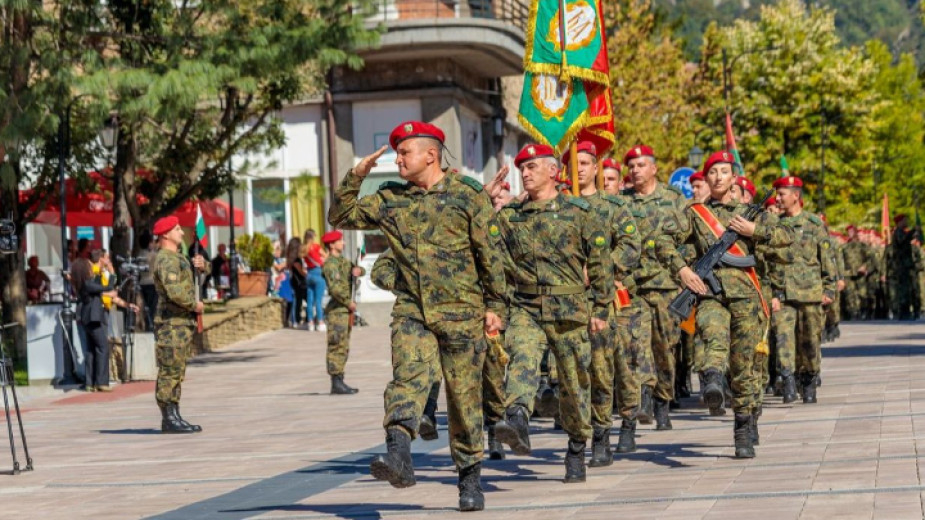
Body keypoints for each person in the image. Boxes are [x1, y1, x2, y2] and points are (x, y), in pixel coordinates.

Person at [329, 120, 506, 511]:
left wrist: (496, 308)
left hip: (462, 313)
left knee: (463, 399)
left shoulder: (467, 195)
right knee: (407, 380)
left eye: (404, 152)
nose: (397, 159)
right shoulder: (391, 198)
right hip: (413, 311)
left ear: (431, 154)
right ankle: (398, 456)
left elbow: (490, 255)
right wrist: (357, 175)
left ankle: (469, 479)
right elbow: (340, 217)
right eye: (396, 152)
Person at [493, 143, 614, 482]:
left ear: (552, 171)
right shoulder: (510, 217)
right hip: (526, 307)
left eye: (532, 166)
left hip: (570, 310)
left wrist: (601, 306)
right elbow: (491, 257)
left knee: (575, 386)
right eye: (522, 168)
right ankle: (516, 417)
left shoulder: (580, 212)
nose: (525, 173)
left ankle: (576, 446)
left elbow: (601, 263)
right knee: (522, 358)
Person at [670, 151, 793, 458]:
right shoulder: (694, 213)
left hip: (748, 298)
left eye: (724, 171)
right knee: (711, 334)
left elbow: (787, 239)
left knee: (745, 364)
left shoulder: (752, 214)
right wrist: (683, 270)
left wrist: (755, 231)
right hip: (711, 293)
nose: (718, 177)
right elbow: (663, 242)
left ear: (734, 178)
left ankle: (744, 422)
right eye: (712, 172)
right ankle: (711, 378)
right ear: (706, 178)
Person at [567, 141, 640, 466]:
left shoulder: (612, 207)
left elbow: (630, 246)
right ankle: (576, 438)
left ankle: (601, 436)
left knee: (602, 371)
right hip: (563, 302)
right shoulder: (559, 206)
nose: (579, 168)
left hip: (602, 300)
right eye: (574, 162)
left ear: (595, 167)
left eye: (585, 162)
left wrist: (598, 270)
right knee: (569, 374)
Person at [622, 145, 688, 430]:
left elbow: (686, 239)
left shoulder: (674, 200)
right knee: (637, 344)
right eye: (631, 166)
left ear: (653, 168)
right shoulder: (621, 202)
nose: (635, 170)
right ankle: (644, 397)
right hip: (633, 286)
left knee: (664, 347)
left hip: (665, 286)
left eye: (640, 165)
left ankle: (663, 400)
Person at [766, 176, 836, 404]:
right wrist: (772, 295)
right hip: (783, 295)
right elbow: (768, 262)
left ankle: (808, 380)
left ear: (796, 195)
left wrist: (829, 289)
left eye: (782, 193)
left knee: (810, 342)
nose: (777, 198)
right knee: (784, 340)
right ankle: (787, 381)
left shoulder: (814, 224)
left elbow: (827, 259)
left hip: (811, 295)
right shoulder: (774, 226)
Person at [152, 216, 207, 434]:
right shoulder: (166, 260)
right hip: (171, 325)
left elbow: (193, 276)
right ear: (165, 234)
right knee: (169, 371)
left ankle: (174, 414)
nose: (182, 232)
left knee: (177, 370)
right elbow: (174, 291)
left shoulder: (178, 257)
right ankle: (168, 417)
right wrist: (195, 305)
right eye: (177, 229)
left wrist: (203, 266)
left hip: (180, 324)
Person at [320, 230, 365, 394]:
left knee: (344, 346)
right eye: (340, 241)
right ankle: (336, 381)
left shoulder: (342, 262)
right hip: (337, 311)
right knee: (337, 345)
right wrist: (348, 302)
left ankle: (340, 379)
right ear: (332, 244)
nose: (343, 243)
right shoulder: (330, 264)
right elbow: (335, 289)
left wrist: (359, 271)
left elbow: (357, 270)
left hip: (345, 312)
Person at [77, 249, 119, 392]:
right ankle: (101, 381)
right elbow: (107, 287)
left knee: (90, 350)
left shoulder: (88, 281)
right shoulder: (88, 283)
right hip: (93, 317)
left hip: (88, 318)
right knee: (102, 347)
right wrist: (112, 273)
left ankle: (90, 382)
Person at [303, 229, 328, 332]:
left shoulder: (303, 248)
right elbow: (326, 257)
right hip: (318, 273)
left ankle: (310, 323)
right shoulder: (316, 247)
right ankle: (320, 322)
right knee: (318, 300)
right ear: (312, 237)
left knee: (310, 300)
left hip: (309, 274)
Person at [138, 232, 159, 331]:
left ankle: (147, 326)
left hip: (142, 283)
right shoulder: (153, 255)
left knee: (146, 307)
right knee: (153, 307)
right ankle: (151, 328)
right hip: (152, 283)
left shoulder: (139, 254)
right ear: (149, 243)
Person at [286, 238, 307, 327]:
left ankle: (296, 320)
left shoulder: (291, 258)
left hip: (295, 282)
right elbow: (301, 272)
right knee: (300, 301)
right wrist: (307, 273)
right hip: (300, 283)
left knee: (298, 302)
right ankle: (297, 320)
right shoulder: (296, 260)